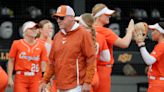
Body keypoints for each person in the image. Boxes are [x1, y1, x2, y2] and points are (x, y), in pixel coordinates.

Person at [39, 5, 96, 92]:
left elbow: (91, 59)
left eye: (61, 18)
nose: (58, 20)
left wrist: (87, 82)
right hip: (60, 85)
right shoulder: (57, 36)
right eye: (57, 18)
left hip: (77, 86)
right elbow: (52, 62)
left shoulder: (84, 34)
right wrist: (44, 80)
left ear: (71, 18)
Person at [91, 3, 135, 92]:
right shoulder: (104, 31)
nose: (109, 16)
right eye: (106, 14)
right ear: (99, 16)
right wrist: (130, 29)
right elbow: (124, 43)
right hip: (103, 69)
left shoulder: (88, 29)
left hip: (91, 69)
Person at [7, 21, 49, 92]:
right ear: (25, 31)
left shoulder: (41, 46)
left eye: (35, 29)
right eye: (31, 29)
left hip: (36, 77)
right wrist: (9, 78)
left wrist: (44, 80)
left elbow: (44, 64)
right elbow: (11, 61)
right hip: (21, 77)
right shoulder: (16, 44)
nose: (34, 30)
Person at [75, 13, 111, 92]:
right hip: (95, 75)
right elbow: (106, 58)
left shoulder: (80, 37)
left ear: (83, 25)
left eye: (79, 23)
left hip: (85, 78)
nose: (77, 25)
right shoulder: (100, 36)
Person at [136, 22, 164, 92]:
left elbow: (149, 61)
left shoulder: (161, 45)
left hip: (158, 83)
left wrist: (141, 45)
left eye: (154, 30)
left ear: (160, 32)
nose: (151, 33)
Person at [37, 19, 57, 92]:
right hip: (41, 75)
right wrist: (49, 38)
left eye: (52, 28)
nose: (50, 30)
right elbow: (47, 56)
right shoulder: (36, 42)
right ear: (40, 30)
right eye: (48, 27)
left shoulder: (55, 42)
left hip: (53, 76)